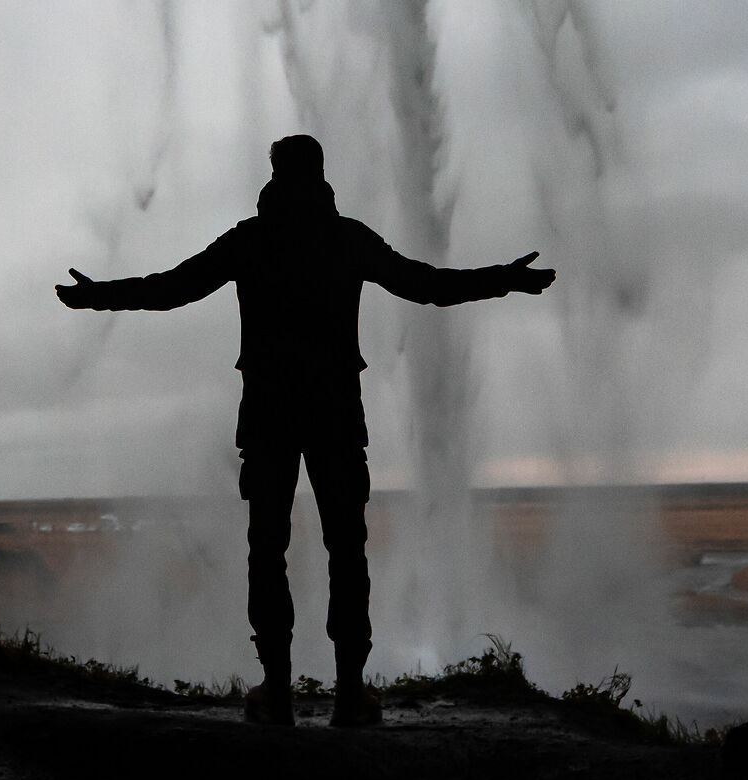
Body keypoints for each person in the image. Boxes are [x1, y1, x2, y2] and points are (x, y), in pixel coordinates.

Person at [55, 134, 554, 728]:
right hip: (337, 410)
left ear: (274, 173)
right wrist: (503, 278)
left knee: (266, 548)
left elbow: (171, 290)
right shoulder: (347, 238)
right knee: (347, 547)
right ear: (320, 172)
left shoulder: (251, 239)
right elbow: (426, 286)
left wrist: (97, 297)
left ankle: (278, 690)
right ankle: (349, 691)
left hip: (267, 412)